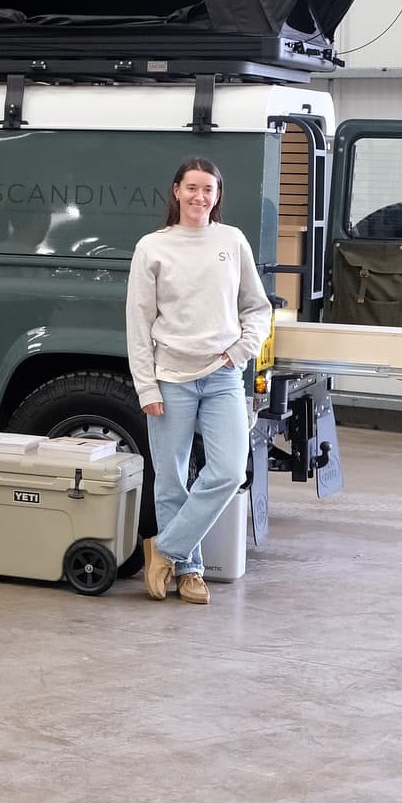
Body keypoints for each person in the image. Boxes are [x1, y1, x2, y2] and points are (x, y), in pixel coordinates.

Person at [126, 157, 272, 605]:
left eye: (208, 189)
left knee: (228, 471)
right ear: (176, 192)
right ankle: (189, 572)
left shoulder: (232, 240)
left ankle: (165, 550)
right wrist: (146, 387)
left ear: (217, 195)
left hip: (222, 375)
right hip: (169, 377)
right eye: (191, 188)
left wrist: (240, 352)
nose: (199, 197)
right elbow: (138, 321)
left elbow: (257, 307)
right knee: (171, 479)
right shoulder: (153, 247)